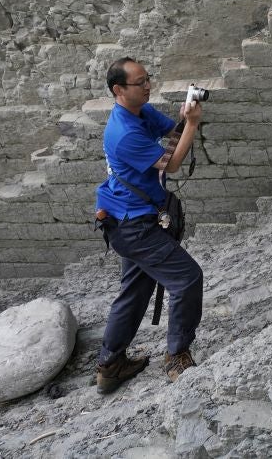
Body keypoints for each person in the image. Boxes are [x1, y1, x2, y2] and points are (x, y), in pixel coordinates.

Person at [93, 56, 204, 392]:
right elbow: (170, 163)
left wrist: (186, 118)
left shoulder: (138, 112)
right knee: (187, 278)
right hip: (133, 226)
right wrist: (194, 126)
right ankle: (176, 356)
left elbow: (172, 133)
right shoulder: (124, 133)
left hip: (127, 217)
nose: (147, 86)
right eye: (139, 82)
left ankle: (110, 365)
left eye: (147, 79)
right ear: (118, 90)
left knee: (135, 290)